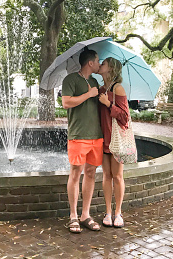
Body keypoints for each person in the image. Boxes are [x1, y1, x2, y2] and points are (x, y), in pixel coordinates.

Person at [61, 49, 103, 234]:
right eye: (98, 61)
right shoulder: (70, 80)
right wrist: (89, 94)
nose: (99, 64)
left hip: (96, 136)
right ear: (90, 63)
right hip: (78, 135)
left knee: (91, 173)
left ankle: (85, 215)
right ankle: (72, 216)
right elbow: (66, 103)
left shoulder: (95, 82)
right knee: (75, 173)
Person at [97, 57, 130, 228]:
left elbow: (125, 117)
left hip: (116, 140)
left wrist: (108, 103)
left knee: (117, 176)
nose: (100, 65)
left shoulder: (118, 89)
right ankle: (108, 212)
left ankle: (118, 213)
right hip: (103, 139)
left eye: (103, 64)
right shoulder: (101, 89)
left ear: (111, 69)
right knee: (106, 175)